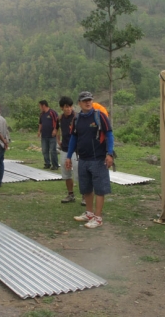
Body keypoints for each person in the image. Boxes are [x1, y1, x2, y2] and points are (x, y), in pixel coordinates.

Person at [65, 91, 114, 229]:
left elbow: (109, 135)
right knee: (86, 188)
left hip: (98, 159)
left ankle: (98, 218)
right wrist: (69, 156)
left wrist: (109, 153)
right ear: (79, 103)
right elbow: (73, 138)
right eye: (85, 100)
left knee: (100, 189)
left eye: (90, 100)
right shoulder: (77, 119)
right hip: (83, 159)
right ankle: (89, 213)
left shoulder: (100, 116)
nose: (88, 102)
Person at [57, 96, 79, 204]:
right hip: (65, 148)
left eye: (70, 106)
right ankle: (70, 195)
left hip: (76, 150)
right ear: (62, 108)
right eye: (66, 107)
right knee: (66, 173)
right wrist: (58, 141)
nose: (68, 109)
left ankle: (85, 196)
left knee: (79, 173)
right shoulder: (60, 118)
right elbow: (57, 129)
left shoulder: (77, 117)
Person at [38, 99, 59, 170]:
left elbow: (57, 121)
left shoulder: (52, 112)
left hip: (52, 135)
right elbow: (40, 123)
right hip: (44, 135)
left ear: (43, 105)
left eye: (40, 106)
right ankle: (47, 163)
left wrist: (55, 130)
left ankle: (55, 165)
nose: (39, 107)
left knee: (53, 150)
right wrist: (39, 131)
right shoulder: (42, 114)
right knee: (44, 150)